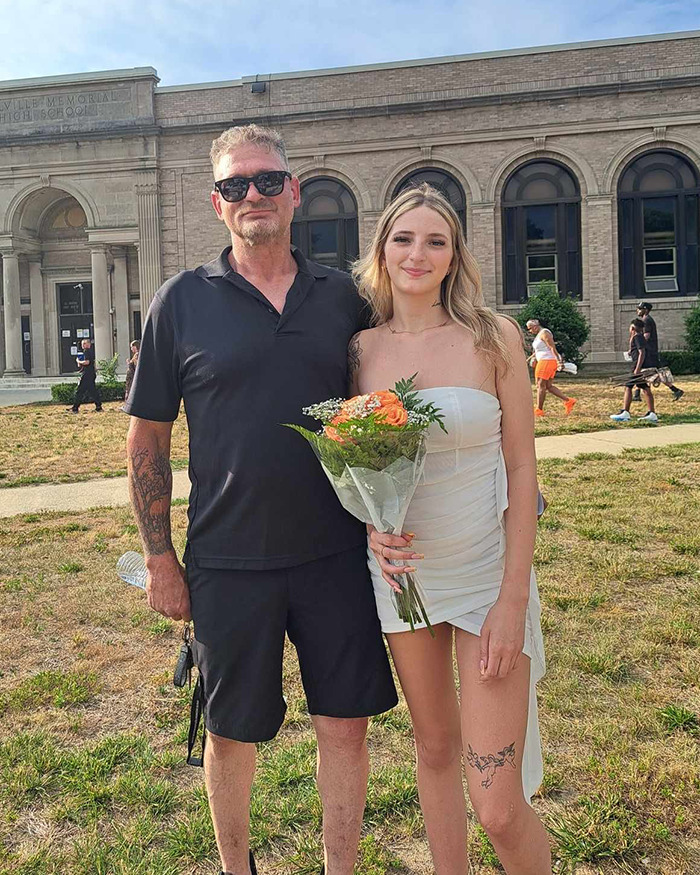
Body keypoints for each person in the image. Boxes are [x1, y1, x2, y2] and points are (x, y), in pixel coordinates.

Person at [124, 124, 397, 875]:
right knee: (230, 731)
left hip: (337, 555)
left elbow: (393, 402)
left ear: (294, 191)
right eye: (236, 185)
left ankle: (340, 866)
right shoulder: (181, 300)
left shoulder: (344, 296)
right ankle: (235, 866)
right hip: (227, 560)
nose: (254, 195)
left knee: (345, 727)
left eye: (268, 180)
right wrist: (160, 558)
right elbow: (147, 441)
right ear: (217, 203)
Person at [352, 183, 551, 874]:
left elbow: (523, 470)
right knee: (434, 747)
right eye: (404, 238)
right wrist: (369, 527)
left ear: (455, 254)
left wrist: (513, 596)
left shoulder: (492, 336)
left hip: (485, 578)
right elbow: (357, 463)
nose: (418, 253)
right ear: (382, 250)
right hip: (404, 580)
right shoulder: (360, 350)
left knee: (496, 803)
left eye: (436, 240)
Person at [632, 302, 684, 402]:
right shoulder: (646, 319)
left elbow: (646, 336)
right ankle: (637, 395)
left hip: (649, 352)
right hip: (650, 351)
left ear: (646, 310)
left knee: (646, 372)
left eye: (640, 308)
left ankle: (675, 390)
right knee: (644, 373)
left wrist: (638, 342)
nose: (637, 310)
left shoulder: (646, 320)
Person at [525, 318, 576, 417]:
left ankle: (539, 410)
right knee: (548, 386)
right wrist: (530, 359)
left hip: (547, 361)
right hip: (544, 361)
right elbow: (537, 350)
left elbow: (552, 347)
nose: (530, 331)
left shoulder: (544, 333)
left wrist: (559, 361)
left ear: (535, 326)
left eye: (530, 329)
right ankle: (568, 401)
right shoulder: (539, 335)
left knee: (540, 385)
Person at [610, 318, 657, 422]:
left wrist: (637, 369)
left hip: (637, 367)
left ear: (632, 328)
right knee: (644, 388)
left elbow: (642, 352)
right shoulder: (638, 337)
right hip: (637, 366)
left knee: (628, 387)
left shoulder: (638, 337)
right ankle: (652, 413)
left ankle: (625, 412)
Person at [69, 338, 102, 413]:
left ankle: (75, 408)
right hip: (90, 373)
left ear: (89, 344)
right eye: (82, 344)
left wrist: (78, 361)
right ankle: (98, 406)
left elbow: (87, 362)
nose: (83, 345)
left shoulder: (87, 351)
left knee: (80, 391)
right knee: (92, 391)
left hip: (87, 374)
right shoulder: (88, 352)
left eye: (84, 343)